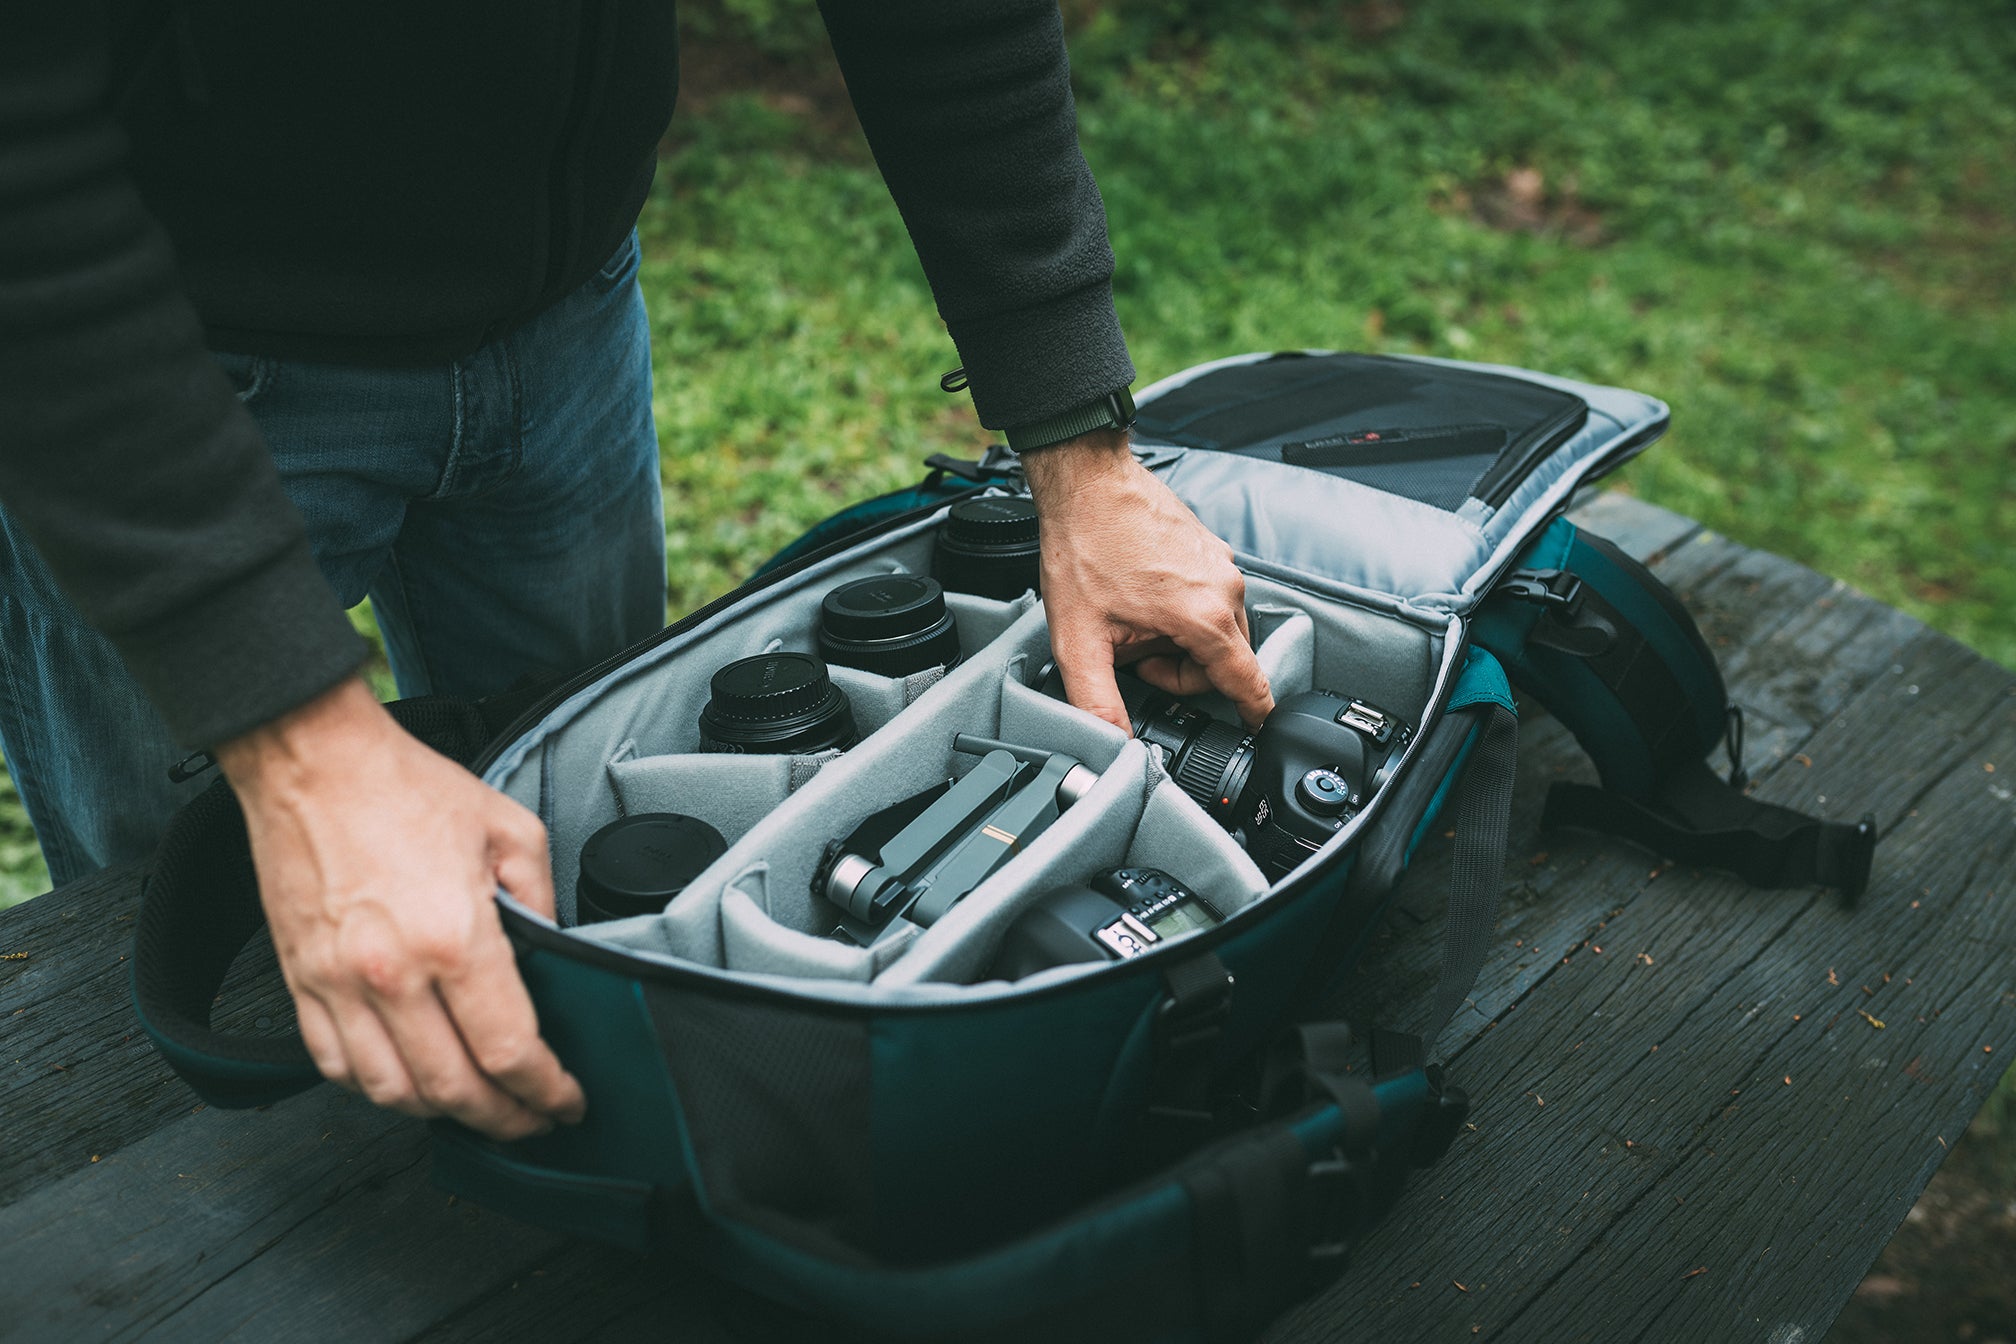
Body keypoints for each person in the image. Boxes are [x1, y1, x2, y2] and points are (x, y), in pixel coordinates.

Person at [0, 4, 1273, 1141]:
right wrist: (293, 748)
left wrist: (1075, 437)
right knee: (185, 934)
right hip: (163, 379)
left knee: (575, 834)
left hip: (572, 309)